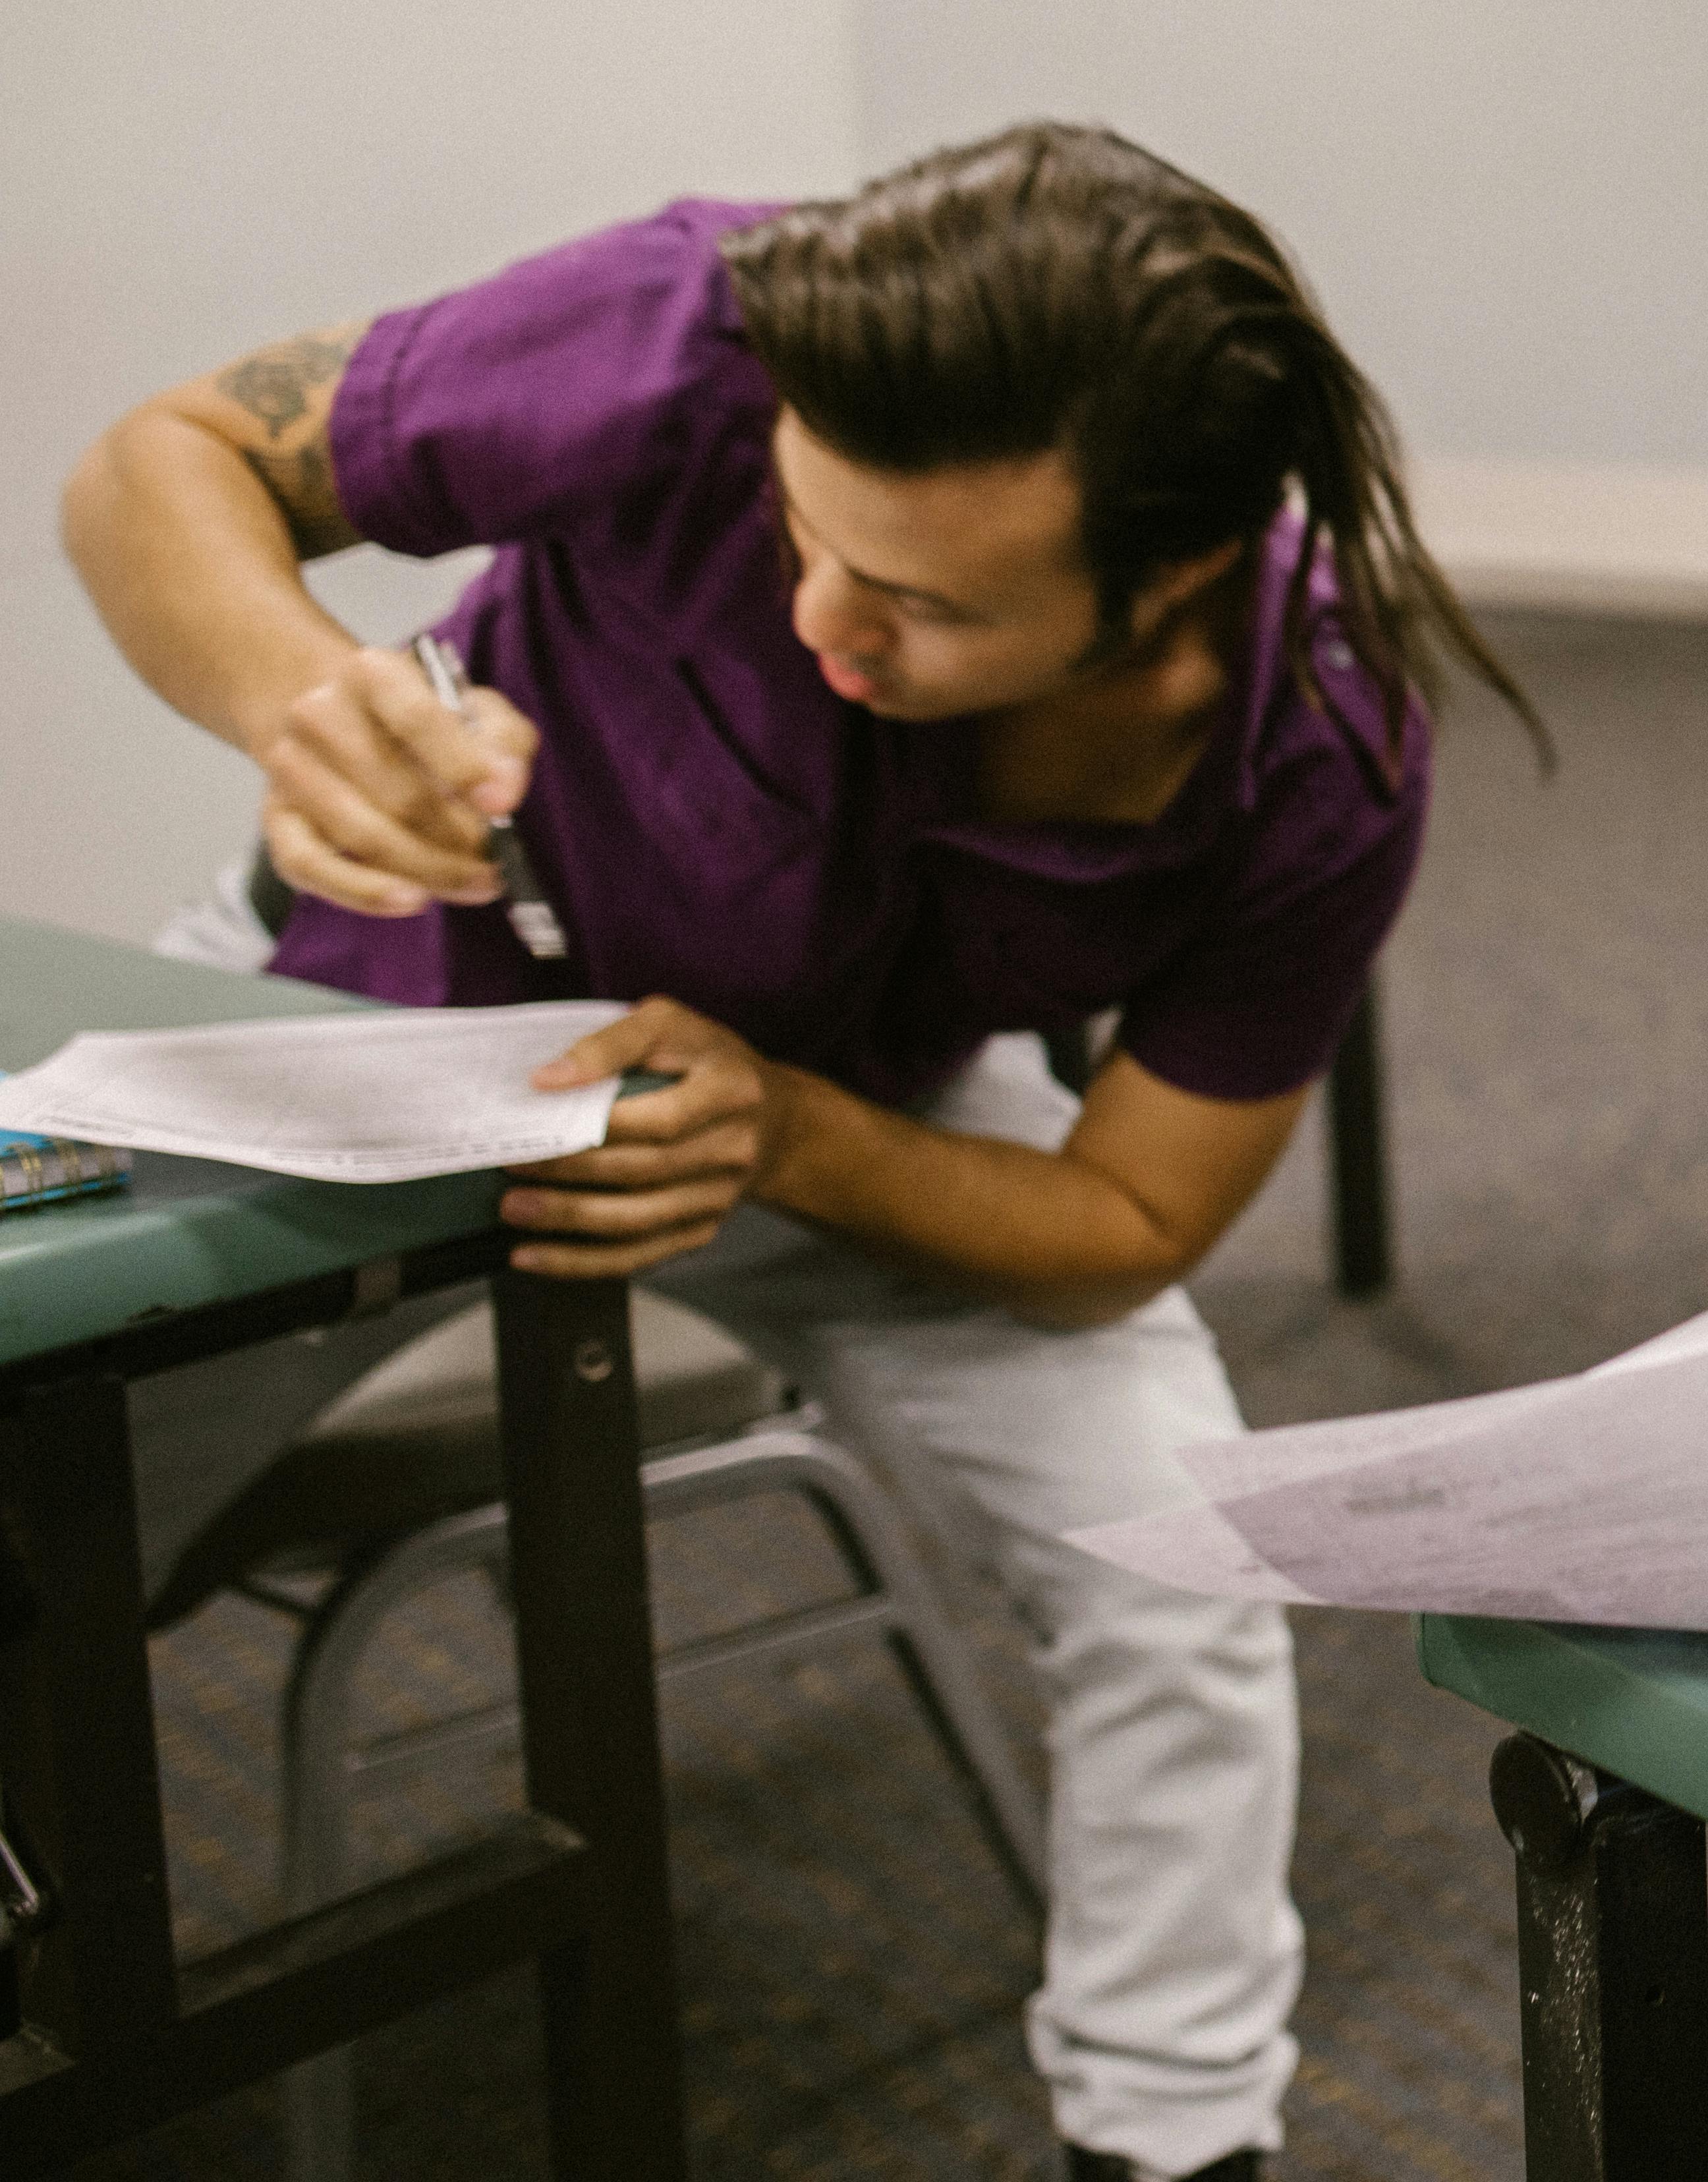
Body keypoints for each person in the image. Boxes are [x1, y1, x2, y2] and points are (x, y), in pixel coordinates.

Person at [63, 122, 1523, 2182]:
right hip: (371, 1017)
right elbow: (161, 465)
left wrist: (799, 1136)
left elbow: (1123, 1225)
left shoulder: (1320, 752)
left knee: (1188, 1558)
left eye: (922, 604)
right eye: (804, 534)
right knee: (46, 1511)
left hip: (833, 1115)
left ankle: (1178, 2142)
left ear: (1173, 572)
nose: (826, 617)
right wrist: (303, 700)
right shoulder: (682, 330)